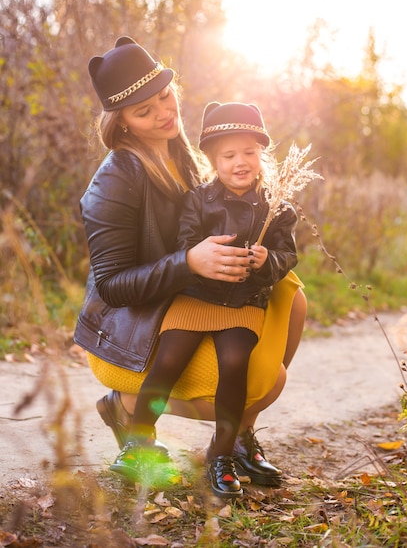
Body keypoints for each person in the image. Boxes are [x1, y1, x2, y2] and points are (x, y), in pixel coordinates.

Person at [73, 36, 307, 490]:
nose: (164, 113)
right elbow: (112, 287)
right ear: (120, 124)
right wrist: (190, 262)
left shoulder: (184, 152)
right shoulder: (114, 180)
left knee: (290, 293)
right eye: (144, 111)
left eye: (165, 97)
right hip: (130, 325)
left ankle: (236, 436)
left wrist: (261, 253)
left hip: (184, 293)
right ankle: (124, 405)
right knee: (264, 380)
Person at [109, 101, 298, 498]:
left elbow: (288, 254)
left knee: (235, 363)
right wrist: (199, 255)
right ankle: (137, 441)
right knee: (169, 359)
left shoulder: (275, 207)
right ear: (213, 159)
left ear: (262, 154)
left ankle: (222, 455)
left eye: (250, 152)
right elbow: (183, 245)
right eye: (229, 155)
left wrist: (267, 262)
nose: (240, 162)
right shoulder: (198, 199)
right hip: (195, 296)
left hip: (244, 301)